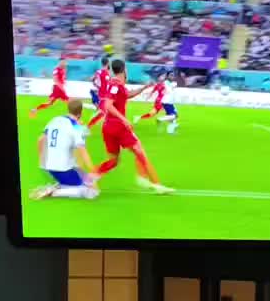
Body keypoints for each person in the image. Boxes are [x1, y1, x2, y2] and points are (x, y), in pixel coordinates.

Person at [94, 59, 174, 194]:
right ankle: (155, 184)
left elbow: (127, 95)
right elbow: (108, 105)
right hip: (118, 127)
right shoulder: (116, 85)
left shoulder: (115, 83)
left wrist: (143, 88)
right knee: (140, 152)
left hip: (108, 127)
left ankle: (91, 176)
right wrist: (123, 119)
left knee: (113, 161)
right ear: (124, 69)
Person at [27, 99, 100, 200]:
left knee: (86, 180)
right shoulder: (77, 128)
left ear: (68, 109)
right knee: (91, 192)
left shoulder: (55, 120)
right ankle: (55, 192)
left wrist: (42, 163)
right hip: (64, 169)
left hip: (49, 167)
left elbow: (41, 140)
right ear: (80, 113)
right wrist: (93, 170)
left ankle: (61, 185)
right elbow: (82, 151)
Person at [85, 56, 111, 128]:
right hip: (104, 95)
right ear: (108, 63)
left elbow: (92, 79)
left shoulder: (98, 72)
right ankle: (88, 126)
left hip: (101, 94)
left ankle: (106, 124)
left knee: (106, 111)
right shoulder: (106, 74)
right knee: (103, 112)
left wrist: (96, 85)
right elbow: (107, 84)